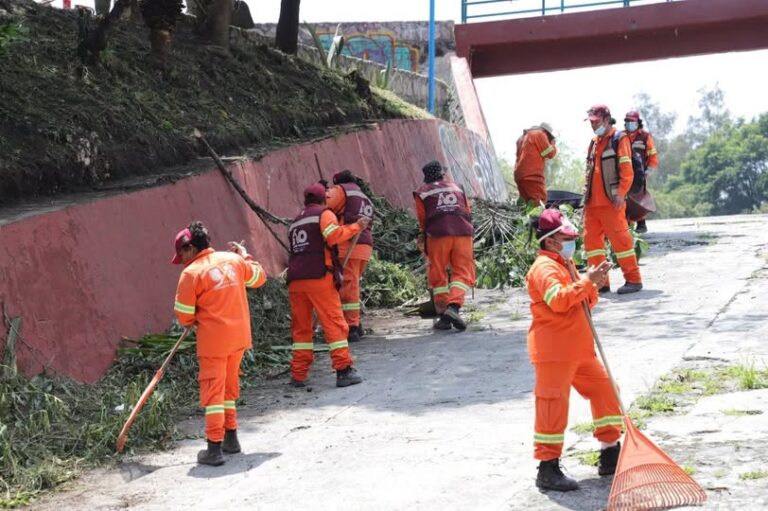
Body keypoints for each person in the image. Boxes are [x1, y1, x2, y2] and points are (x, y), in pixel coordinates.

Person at [526, 209, 622, 492]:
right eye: (567, 237)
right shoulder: (544, 268)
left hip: (579, 350)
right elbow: (558, 301)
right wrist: (586, 282)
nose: (572, 242)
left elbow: (583, 303)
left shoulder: (564, 264)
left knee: (606, 390)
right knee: (552, 406)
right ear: (551, 240)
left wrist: (593, 285)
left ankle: (610, 452)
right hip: (554, 351)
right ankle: (547, 468)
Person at [172, 221, 267, 466]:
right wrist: (246, 255)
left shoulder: (191, 274)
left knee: (213, 393)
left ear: (190, 248)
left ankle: (214, 448)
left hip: (214, 342)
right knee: (228, 389)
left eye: (181, 254)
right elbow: (259, 277)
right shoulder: (233, 261)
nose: (181, 259)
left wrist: (194, 320)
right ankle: (231, 438)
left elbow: (183, 315)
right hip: (239, 337)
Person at [287, 183, 369, 388]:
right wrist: (356, 226)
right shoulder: (324, 214)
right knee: (334, 324)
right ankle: (343, 370)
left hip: (296, 280)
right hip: (319, 277)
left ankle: (298, 374)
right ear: (324, 199)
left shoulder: (296, 221)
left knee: (302, 329)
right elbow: (333, 236)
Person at [583, 104, 643, 294]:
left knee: (621, 242)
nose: (593, 126)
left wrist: (621, 193)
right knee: (592, 244)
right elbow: (588, 173)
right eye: (591, 123)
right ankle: (601, 283)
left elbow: (627, 170)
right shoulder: (593, 142)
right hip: (593, 204)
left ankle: (633, 280)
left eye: (596, 122)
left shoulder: (619, 139)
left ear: (607, 120)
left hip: (611, 201)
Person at [413, 160, 476, 331]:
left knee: (438, 273)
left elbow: (422, 218)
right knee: (463, 272)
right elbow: (468, 211)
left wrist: (423, 236)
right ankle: (453, 308)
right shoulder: (458, 187)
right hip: (463, 232)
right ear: (442, 173)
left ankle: (443, 315)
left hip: (437, 234)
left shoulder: (422, 192)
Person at [326, 170, 375, 343]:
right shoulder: (364, 197)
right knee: (352, 283)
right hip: (365, 246)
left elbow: (324, 205)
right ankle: (355, 323)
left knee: (348, 286)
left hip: (349, 244)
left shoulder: (341, 190)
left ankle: (352, 326)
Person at [623, 111, 659, 234]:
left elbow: (652, 155)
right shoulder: (621, 136)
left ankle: (641, 223)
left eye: (632, 122)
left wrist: (649, 170)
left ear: (638, 122)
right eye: (627, 122)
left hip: (640, 173)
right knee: (625, 198)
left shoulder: (645, 136)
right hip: (624, 172)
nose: (629, 124)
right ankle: (627, 223)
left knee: (639, 197)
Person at [514, 123, 558, 205]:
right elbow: (550, 153)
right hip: (532, 175)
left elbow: (542, 153)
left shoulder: (522, 138)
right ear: (547, 133)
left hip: (519, 175)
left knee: (526, 203)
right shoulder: (540, 134)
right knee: (539, 201)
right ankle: (536, 217)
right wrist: (553, 145)